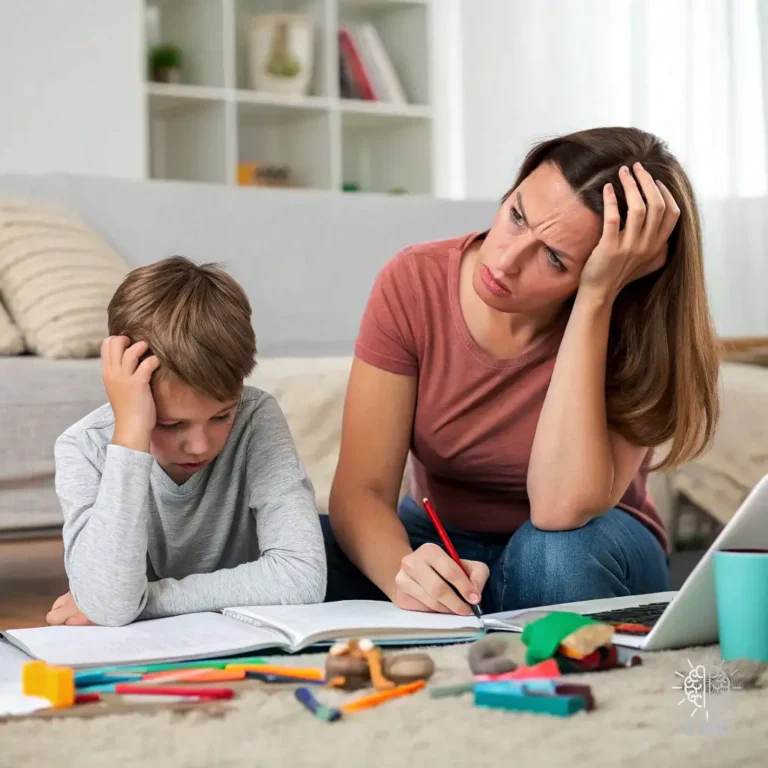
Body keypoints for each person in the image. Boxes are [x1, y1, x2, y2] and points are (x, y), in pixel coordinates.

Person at [323, 126, 720, 617]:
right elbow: (361, 491)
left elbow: (561, 508)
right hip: (443, 541)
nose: (505, 260)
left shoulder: (637, 329)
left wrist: (596, 301)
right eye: (516, 215)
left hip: (588, 548)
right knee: (309, 549)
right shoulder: (413, 282)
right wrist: (406, 574)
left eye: (554, 259)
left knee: (553, 557)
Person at [46, 257, 326, 627]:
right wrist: (131, 433)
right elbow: (111, 602)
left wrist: (145, 600)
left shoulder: (255, 416)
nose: (198, 445)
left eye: (221, 416)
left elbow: (302, 577)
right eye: (170, 424)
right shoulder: (83, 447)